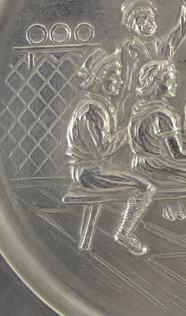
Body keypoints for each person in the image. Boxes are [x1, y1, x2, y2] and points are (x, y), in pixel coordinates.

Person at [65, 46, 154, 256]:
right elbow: (103, 149)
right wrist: (129, 131)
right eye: (114, 76)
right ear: (99, 79)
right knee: (145, 188)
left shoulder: (101, 105)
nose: (120, 82)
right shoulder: (92, 109)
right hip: (89, 173)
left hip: (93, 169)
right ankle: (124, 233)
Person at [118, 0, 186, 116]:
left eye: (150, 19)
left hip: (160, 101)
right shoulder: (127, 47)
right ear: (131, 27)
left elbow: (180, 31)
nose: (147, 24)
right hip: (135, 103)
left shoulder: (161, 46)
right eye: (140, 21)